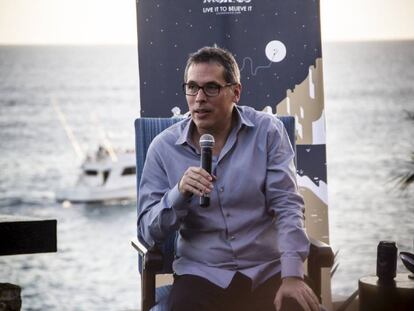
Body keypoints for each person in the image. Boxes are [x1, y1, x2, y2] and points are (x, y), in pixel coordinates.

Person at [137, 46, 321, 311]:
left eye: (211, 88)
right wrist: (179, 193)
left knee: (296, 306)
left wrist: (292, 274)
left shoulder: (268, 131)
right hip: (201, 273)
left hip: (266, 270)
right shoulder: (163, 147)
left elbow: (287, 205)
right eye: (192, 87)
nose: (199, 98)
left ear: (235, 92)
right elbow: (148, 231)